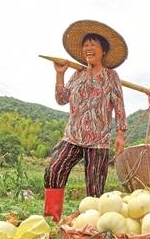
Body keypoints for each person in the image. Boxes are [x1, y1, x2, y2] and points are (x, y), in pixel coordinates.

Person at [44, 20, 128, 222]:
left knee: (95, 187)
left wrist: (120, 134)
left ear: (103, 51)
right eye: (85, 45)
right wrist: (59, 75)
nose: (88, 49)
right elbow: (61, 99)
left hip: (98, 140)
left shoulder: (111, 76)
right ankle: (52, 218)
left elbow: (119, 106)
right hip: (73, 136)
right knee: (54, 169)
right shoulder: (77, 74)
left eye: (93, 45)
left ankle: (89, 224)